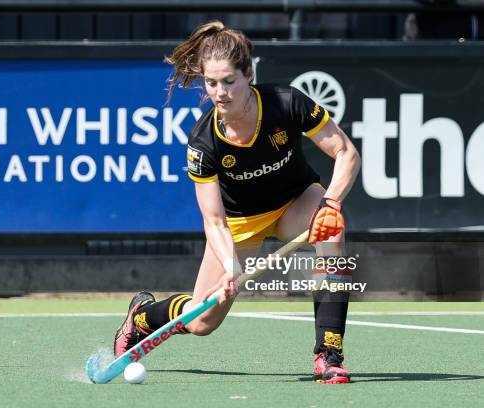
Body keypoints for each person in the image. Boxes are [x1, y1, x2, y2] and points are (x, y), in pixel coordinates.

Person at [114, 21, 361, 384]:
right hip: (238, 224)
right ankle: (141, 316)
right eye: (211, 83)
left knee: (332, 230)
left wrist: (332, 203)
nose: (220, 93)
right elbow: (213, 221)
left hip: (295, 202)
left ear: (249, 74)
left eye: (229, 81)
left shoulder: (286, 102)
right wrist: (230, 265)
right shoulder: (204, 142)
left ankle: (329, 354)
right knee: (200, 322)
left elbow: (345, 152)